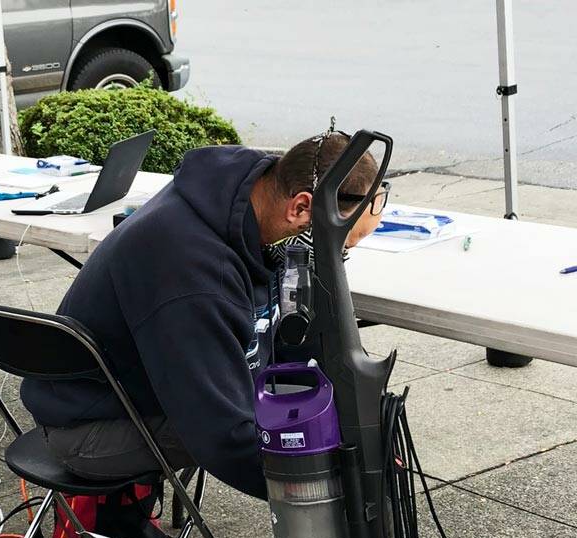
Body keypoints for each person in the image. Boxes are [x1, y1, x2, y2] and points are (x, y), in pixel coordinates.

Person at [20, 132, 386, 497]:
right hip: (86, 429)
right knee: (300, 442)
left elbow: (282, 345)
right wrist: (327, 489)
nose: (332, 257)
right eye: (337, 244)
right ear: (301, 208)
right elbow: (220, 433)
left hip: (143, 393)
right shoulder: (191, 273)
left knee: (313, 417)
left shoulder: (245, 198)